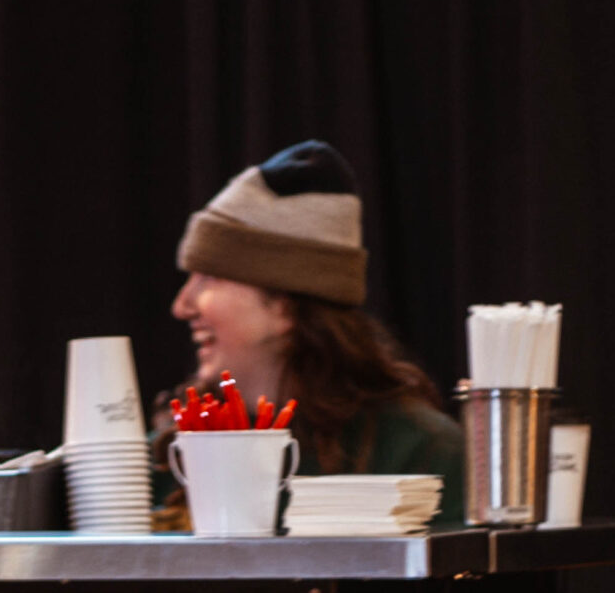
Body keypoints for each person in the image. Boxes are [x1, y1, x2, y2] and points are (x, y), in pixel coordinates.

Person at [168, 140, 464, 520]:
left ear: (286, 307)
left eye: (209, 277)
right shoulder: (166, 454)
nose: (182, 305)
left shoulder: (418, 450)